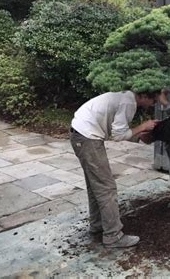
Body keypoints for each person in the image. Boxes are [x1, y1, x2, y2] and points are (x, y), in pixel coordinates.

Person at [70, 91, 161, 248]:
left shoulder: (126, 97)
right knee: (107, 188)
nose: (153, 105)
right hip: (87, 137)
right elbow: (118, 136)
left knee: (96, 186)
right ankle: (113, 236)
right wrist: (142, 127)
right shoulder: (129, 102)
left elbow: (117, 130)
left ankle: (98, 224)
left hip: (81, 135)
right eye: (153, 101)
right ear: (145, 96)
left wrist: (139, 135)